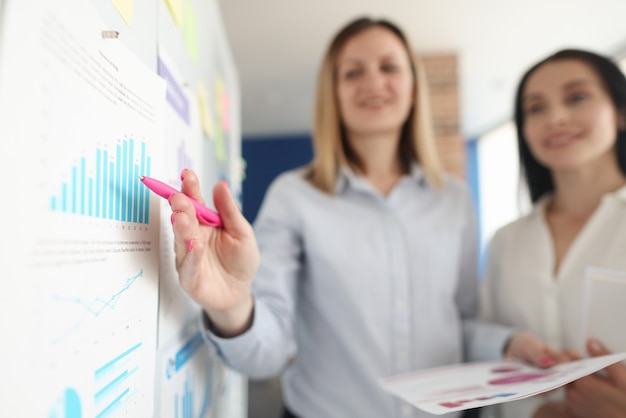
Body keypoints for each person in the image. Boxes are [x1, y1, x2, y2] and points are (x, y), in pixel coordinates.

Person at [169, 17, 560, 418]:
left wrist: (507, 344)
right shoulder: (294, 196)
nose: (373, 82)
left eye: (389, 67)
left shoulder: (454, 199)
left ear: (413, 88)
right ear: (333, 94)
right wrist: (233, 307)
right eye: (353, 72)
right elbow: (267, 354)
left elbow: (458, 323)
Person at [480, 48, 626, 418]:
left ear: (620, 111)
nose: (556, 118)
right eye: (536, 108)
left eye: (577, 97)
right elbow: (490, 356)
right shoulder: (506, 242)